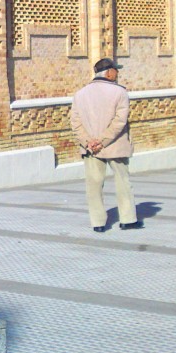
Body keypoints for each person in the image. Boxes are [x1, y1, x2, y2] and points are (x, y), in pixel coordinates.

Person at [70, 58, 143, 232]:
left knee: (93, 185)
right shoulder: (119, 92)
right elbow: (119, 122)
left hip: (90, 148)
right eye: (116, 70)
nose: (117, 73)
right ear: (109, 72)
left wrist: (89, 142)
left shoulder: (80, 94)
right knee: (123, 182)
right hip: (115, 145)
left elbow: (75, 122)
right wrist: (102, 141)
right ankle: (127, 219)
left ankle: (98, 223)